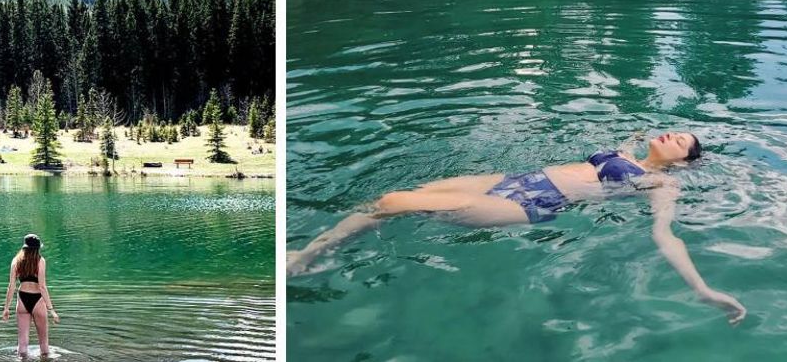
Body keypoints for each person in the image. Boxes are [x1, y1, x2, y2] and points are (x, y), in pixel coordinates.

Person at [287, 132, 746, 325]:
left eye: (681, 143)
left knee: (394, 202)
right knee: (408, 192)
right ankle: (323, 245)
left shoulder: (660, 183)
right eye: (673, 132)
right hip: (513, 180)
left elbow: (665, 235)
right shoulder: (627, 152)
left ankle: (307, 256)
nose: (671, 136)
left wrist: (704, 290)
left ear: (683, 162)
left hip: (536, 202)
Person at [2, 233, 60, 356]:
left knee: (22, 344)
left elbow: (11, 286)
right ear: (37, 248)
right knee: (44, 344)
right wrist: (51, 310)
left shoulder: (16, 261)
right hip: (38, 300)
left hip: (22, 299)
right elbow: (42, 287)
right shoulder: (40, 261)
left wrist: (6, 308)